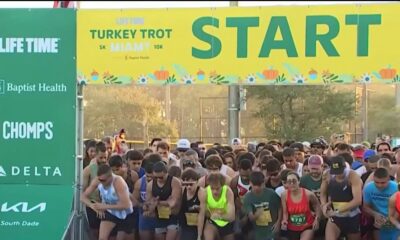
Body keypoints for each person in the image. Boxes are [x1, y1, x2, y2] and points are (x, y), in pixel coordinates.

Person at [81, 164, 133, 240]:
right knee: (102, 238)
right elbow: (82, 196)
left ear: (110, 177)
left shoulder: (118, 182)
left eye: (103, 180)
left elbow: (126, 205)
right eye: (100, 179)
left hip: (125, 213)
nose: (101, 182)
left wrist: (104, 206)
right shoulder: (97, 180)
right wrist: (93, 206)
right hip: (110, 212)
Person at [320, 156, 363, 240]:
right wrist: (323, 205)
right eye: (335, 172)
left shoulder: (352, 175)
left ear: (345, 167)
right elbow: (323, 193)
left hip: (351, 215)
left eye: (340, 171)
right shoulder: (327, 174)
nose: (337, 174)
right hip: (334, 216)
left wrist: (337, 211)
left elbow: (357, 200)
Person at [146, 161, 182, 240]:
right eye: (156, 177)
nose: (159, 179)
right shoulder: (150, 185)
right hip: (159, 217)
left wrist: (157, 202)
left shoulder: (175, 182)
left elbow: (173, 202)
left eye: (161, 177)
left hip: (173, 216)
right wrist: (152, 205)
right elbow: (149, 204)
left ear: (167, 173)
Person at [281, 172, 321, 240]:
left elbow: (317, 207)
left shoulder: (308, 194)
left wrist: (317, 220)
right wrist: (284, 221)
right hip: (292, 228)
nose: (292, 184)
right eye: (289, 182)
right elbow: (285, 212)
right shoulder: (284, 195)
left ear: (299, 181)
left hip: (307, 226)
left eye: (294, 181)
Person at [243, 171, 282, 240]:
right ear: (250, 183)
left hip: (272, 229)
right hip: (258, 231)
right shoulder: (248, 197)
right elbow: (250, 217)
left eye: (259, 185)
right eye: (254, 185)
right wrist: (256, 214)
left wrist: (278, 223)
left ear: (264, 183)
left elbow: (280, 207)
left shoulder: (271, 194)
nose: (257, 188)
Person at [363, 168, 399, 240]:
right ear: (373, 179)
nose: (379, 185)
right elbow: (365, 207)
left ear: (389, 179)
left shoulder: (396, 187)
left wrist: (392, 220)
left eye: (383, 182)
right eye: (376, 182)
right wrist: (375, 214)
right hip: (378, 224)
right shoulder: (368, 188)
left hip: (395, 222)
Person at [198, 173, 236, 240]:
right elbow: (201, 215)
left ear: (222, 186)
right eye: (212, 188)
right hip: (212, 222)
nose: (215, 191)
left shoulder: (228, 191)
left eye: (217, 189)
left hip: (226, 223)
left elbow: (232, 217)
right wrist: (199, 235)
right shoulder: (205, 192)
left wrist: (220, 217)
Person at [82, 141, 108, 240]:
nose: (104, 160)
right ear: (95, 156)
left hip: (107, 207)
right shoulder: (88, 170)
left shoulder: (110, 168)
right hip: (93, 207)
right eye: (101, 158)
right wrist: (93, 206)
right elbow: (82, 195)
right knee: (94, 233)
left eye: (105, 157)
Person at [132, 154, 161, 240]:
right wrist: (142, 205)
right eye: (147, 176)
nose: (149, 179)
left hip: (159, 216)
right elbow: (133, 200)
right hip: (145, 216)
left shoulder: (162, 182)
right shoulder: (140, 183)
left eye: (152, 177)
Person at [109, 155, 136, 240]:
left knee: (127, 235)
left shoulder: (132, 175)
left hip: (127, 212)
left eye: (117, 169)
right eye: (112, 170)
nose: (115, 172)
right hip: (113, 211)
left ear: (123, 166)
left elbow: (134, 198)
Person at [229, 159, 253, 239]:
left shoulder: (255, 180)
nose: (245, 178)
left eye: (247, 175)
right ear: (239, 170)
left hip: (254, 208)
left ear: (251, 170)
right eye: (243, 176)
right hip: (240, 208)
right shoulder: (235, 181)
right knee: (237, 231)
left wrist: (248, 214)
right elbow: (234, 199)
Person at [180, 168, 202, 239]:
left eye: (191, 184)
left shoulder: (201, 193)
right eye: (186, 184)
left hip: (197, 224)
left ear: (197, 182)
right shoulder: (182, 190)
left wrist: (199, 236)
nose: (188, 187)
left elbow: (202, 216)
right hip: (185, 224)